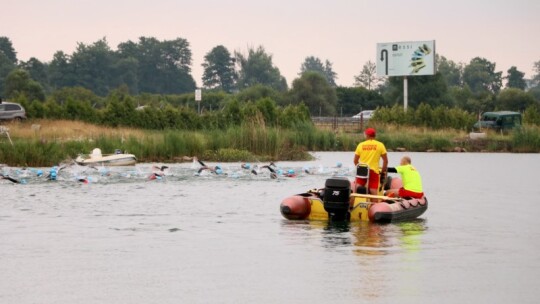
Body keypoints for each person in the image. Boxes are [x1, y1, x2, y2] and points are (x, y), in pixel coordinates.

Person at [353, 128, 388, 197]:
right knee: (373, 190)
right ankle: (374, 204)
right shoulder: (380, 145)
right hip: (373, 170)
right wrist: (383, 172)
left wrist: (359, 168)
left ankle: (351, 205)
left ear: (367, 135)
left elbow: (355, 160)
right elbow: (385, 161)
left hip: (362, 170)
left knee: (357, 187)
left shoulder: (361, 145)